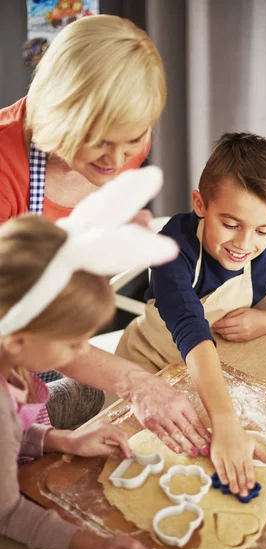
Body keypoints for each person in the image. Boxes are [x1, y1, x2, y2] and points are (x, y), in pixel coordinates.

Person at [0, 15, 209, 454]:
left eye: (133, 140)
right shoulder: (5, 175)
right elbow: (17, 325)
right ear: (60, 113)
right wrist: (133, 383)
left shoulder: (121, 146)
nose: (117, 161)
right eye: (98, 141)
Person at [116, 132, 266, 497]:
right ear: (200, 204)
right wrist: (226, 424)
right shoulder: (171, 250)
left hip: (213, 374)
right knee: (134, 465)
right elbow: (191, 331)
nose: (245, 244)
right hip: (146, 366)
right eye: (230, 224)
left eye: (263, 229)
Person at [0, 167, 182, 549]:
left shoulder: (10, 350)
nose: (81, 352)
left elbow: (13, 435)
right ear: (21, 339)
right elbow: (6, 512)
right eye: (74, 343)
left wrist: (62, 441)